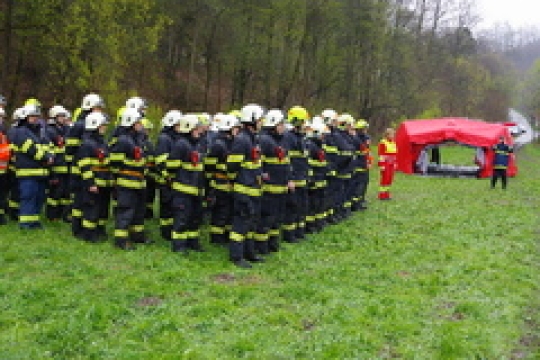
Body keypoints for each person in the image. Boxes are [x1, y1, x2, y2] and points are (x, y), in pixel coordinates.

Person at [226, 103, 265, 268]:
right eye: (260, 119)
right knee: (240, 224)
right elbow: (232, 166)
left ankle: (249, 253)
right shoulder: (242, 140)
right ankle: (236, 256)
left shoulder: (253, 138)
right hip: (244, 189)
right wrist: (237, 182)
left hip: (254, 189)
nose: (262, 122)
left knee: (251, 222)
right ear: (252, 120)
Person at [109, 108, 151, 249]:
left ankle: (137, 236)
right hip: (126, 183)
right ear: (132, 124)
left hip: (139, 182)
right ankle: (121, 241)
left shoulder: (138, 139)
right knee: (126, 211)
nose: (141, 124)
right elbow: (115, 162)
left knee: (139, 211)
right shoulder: (123, 140)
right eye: (138, 122)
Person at [166, 114, 205, 253]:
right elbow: (171, 167)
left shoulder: (198, 144)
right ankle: (179, 246)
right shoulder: (181, 144)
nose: (199, 131)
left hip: (196, 190)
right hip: (183, 191)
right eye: (197, 128)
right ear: (188, 128)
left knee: (195, 219)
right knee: (181, 219)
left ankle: (192, 242)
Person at [12, 104, 54, 229]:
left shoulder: (41, 132)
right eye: (32, 116)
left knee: (39, 198)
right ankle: (25, 224)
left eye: (36, 116)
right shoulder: (20, 132)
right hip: (27, 173)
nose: (35, 118)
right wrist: (47, 158)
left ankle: (35, 222)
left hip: (41, 173)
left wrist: (51, 156)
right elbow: (30, 149)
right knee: (28, 197)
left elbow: (50, 146)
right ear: (25, 117)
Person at [75, 112, 112, 242]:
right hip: (94, 184)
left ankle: (99, 231)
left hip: (104, 183)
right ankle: (89, 235)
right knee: (91, 209)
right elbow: (84, 166)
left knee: (102, 210)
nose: (104, 128)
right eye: (102, 125)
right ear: (95, 125)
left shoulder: (102, 143)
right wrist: (91, 183)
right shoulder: (87, 144)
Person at [377, 127, 397, 200]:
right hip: (385, 163)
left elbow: (395, 154)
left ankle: (387, 194)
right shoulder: (383, 142)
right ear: (387, 135)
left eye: (394, 134)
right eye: (392, 134)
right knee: (385, 179)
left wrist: (395, 163)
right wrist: (382, 165)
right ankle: (382, 195)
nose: (393, 136)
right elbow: (381, 154)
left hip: (391, 163)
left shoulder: (393, 142)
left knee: (390, 179)